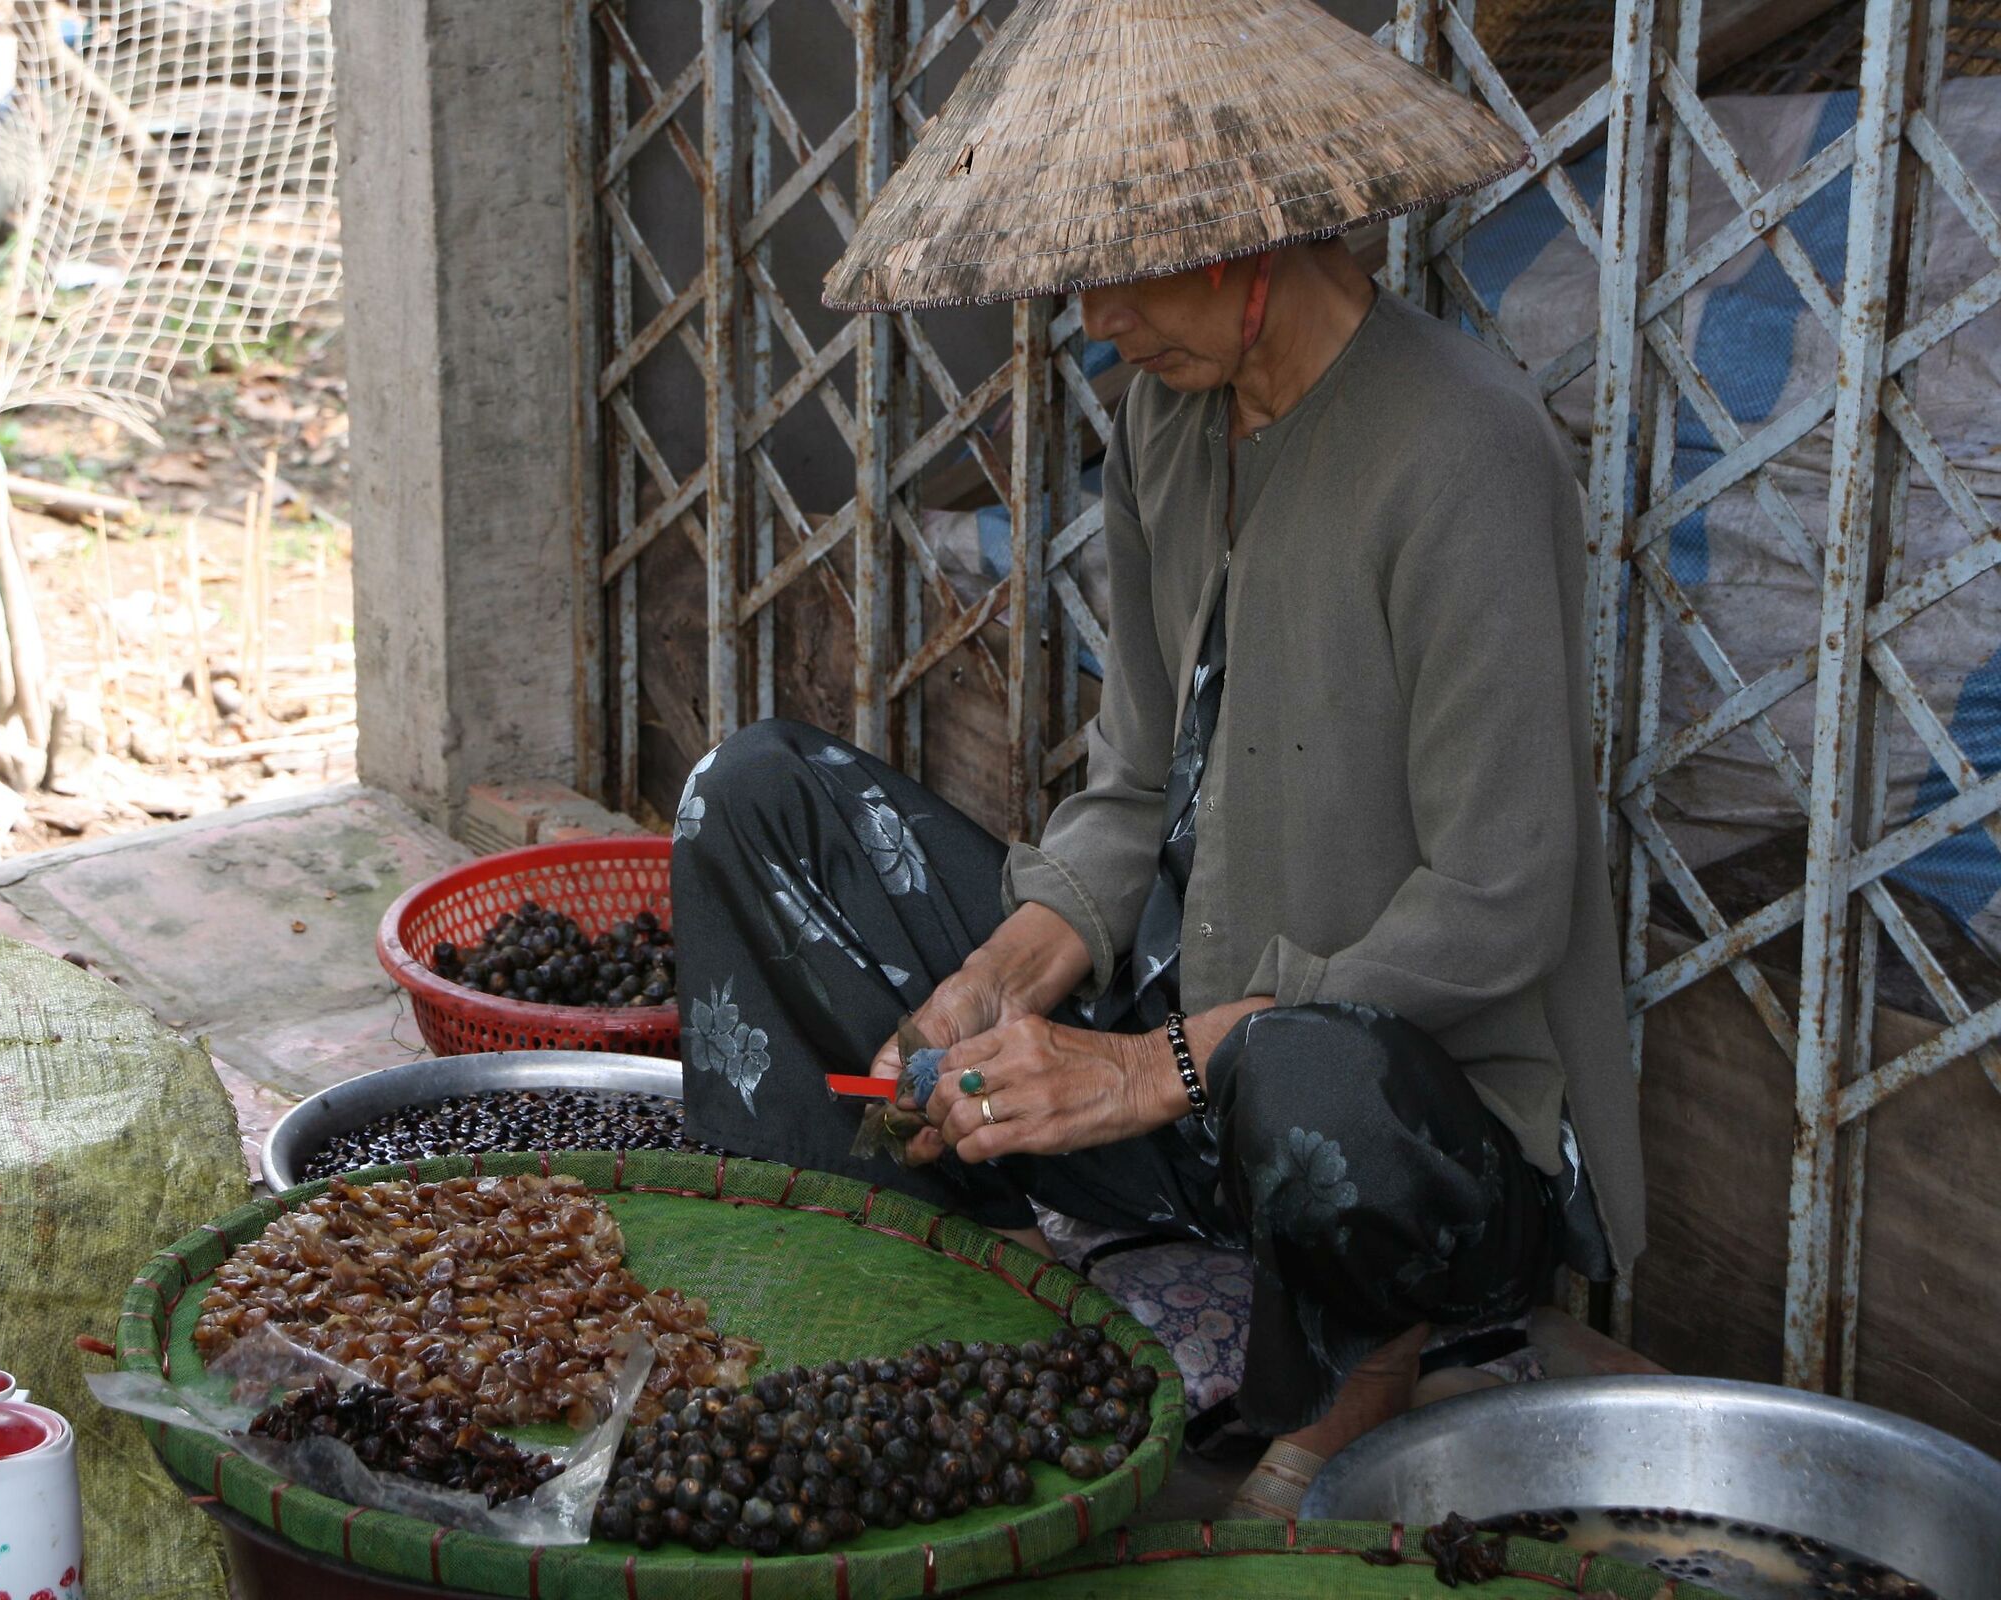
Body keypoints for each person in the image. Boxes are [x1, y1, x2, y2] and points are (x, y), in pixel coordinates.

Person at [670, 0, 1643, 1517]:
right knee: (751, 798)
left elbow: (1499, 899)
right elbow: (1134, 785)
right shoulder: (1165, 429)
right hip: (1180, 1070)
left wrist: (1154, 1069)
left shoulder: (1464, 448)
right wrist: (1005, 976)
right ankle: (881, 1277)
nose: (1097, 321)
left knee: (1307, 1069)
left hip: (1396, 1135)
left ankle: (1368, 1366)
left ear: (1243, 237)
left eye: (1119, 273)